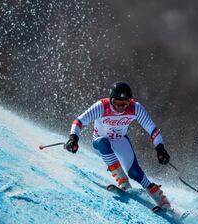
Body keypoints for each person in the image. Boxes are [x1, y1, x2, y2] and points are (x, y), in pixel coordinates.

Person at [65, 81, 171, 209]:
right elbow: (79, 121)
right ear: (111, 100)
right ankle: (122, 180)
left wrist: (160, 148)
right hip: (100, 141)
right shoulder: (102, 106)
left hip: (120, 140)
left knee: (135, 172)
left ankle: (160, 199)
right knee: (104, 143)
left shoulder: (135, 108)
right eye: (117, 103)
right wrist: (73, 138)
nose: (121, 107)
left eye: (125, 104)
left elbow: (152, 129)